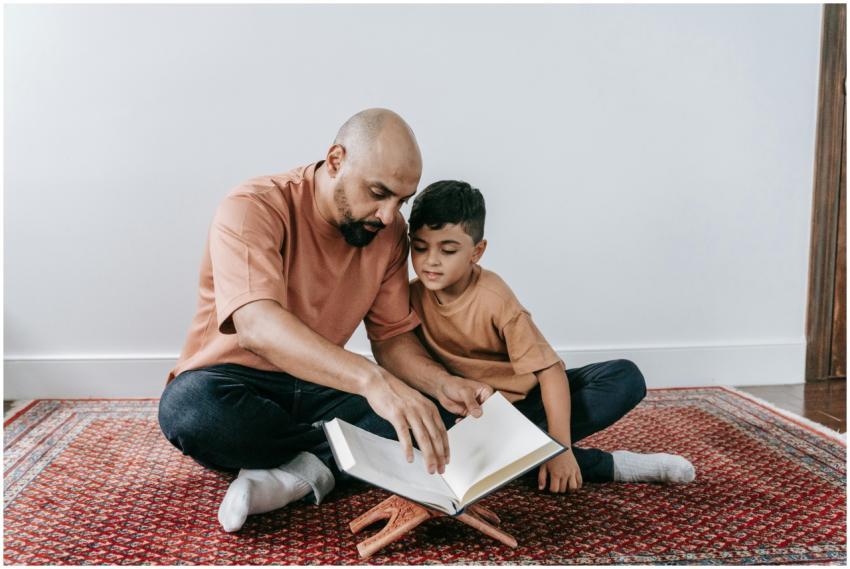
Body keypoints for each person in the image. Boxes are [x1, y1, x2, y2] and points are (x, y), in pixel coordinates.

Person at [158, 110, 493, 533]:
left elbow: (392, 339)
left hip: (322, 385)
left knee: (430, 416)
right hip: (234, 383)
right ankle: (333, 457)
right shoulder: (253, 207)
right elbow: (258, 327)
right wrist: (373, 382)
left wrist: (441, 384)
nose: (388, 215)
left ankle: (296, 471)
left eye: (401, 201)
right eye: (378, 193)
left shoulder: (388, 232)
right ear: (336, 160)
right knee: (190, 410)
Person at [407, 180, 696, 493]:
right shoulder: (407, 297)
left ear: (477, 252)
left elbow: (550, 372)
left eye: (448, 250)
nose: (431, 260)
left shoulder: (494, 298)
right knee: (383, 426)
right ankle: (601, 465)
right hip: (463, 416)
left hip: (522, 409)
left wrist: (561, 447)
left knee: (625, 377)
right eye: (420, 248)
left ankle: (534, 453)